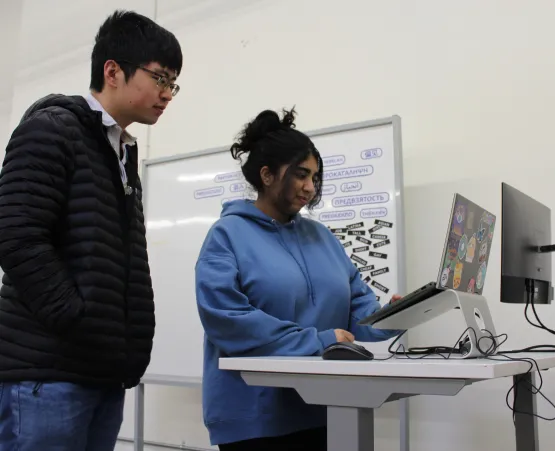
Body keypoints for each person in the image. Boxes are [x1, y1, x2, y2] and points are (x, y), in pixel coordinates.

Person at [0, 10, 182, 451]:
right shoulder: (53, 130)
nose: (167, 94)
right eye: (160, 78)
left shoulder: (119, 151)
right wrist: (74, 317)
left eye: (173, 84)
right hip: (49, 372)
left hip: (100, 373)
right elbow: (15, 234)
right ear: (113, 71)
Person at [195, 108, 403, 451]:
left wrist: (396, 317)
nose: (309, 187)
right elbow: (226, 319)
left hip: (323, 407)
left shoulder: (322, 237)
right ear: (267, 175)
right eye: (301, 175)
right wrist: (317, 340)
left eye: (314, 177)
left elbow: (358, 314)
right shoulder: (227, 235)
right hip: (254, 418)